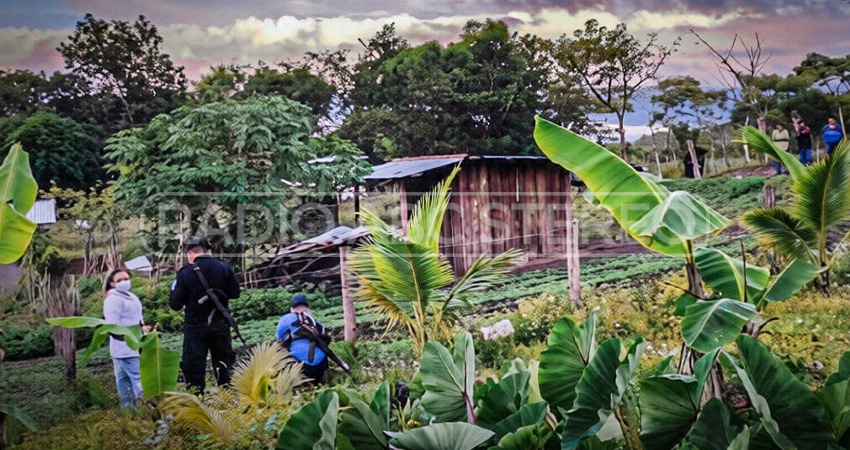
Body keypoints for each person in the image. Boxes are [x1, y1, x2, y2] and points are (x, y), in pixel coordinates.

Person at [169, 237, 240, 394]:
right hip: (220, 325)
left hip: (195, 328)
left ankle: (198, 400)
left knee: (194, 367)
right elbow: (235, 293)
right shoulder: (224, 267)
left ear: (190, 253)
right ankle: (228, 398)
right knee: (223, 365)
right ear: (206, 250)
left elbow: (175, 304)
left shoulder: (185, 273)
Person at [103, 268, 146, 408]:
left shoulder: (131, 296)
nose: (124, 282)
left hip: (134, 346)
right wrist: (131, 340)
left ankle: (131, 418)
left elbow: (138, 319)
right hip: (126, 349)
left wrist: (144, 331)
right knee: (138, 383)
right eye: (119, 280)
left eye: (126, 279)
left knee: (125, 385)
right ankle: (149, 412)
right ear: (112, 283)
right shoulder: (113, 300)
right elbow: (113, 327)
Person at [276, 294, 329, 384]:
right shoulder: (315, 323)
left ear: (291, 309)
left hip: (304, 368)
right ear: (308, 309)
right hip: (322, 365)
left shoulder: (285, 319)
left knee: (280, 351)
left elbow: (279, 340)